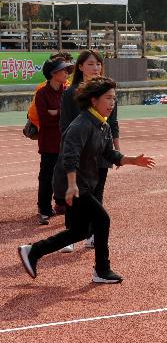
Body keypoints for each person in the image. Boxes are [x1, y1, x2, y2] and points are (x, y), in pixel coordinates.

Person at [18, 77, 156, 284]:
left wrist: (132, 160)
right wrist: (72, 185)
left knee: (80, 230)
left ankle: (33, 251)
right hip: (71, 184)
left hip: (81, 183)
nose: (112, 103)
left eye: (114, 99)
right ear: (94, 100)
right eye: (108, 98)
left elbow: (108, 153)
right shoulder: (81, 125)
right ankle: (102, 269)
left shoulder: (102, 125)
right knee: (102, 219)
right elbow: (68, 157)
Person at [60, 49, 120, 253]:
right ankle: (70, 234)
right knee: (75, 195)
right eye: (91, 64)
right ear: (80, 67)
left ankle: (93, 234)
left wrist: (116, 151)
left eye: (98, 64)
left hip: (101, 152)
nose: (95, 68)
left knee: (97, 194)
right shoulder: (71, 93)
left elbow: (113, 123)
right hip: (81, 155)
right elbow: (66, 125)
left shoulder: (107, 90)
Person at [34, 58, 74, 224]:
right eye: (63, 70)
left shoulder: (68, 91)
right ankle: (44, 208)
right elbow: (44, 119)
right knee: (46, 176)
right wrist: (60, 114)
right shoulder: (42, 93)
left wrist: (55, 112)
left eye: (67, 70)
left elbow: (71, 116)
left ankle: (63, 204)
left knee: (66, 175)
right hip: (49, 143)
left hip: (67, 142)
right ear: (53, 73)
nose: (66, 73)